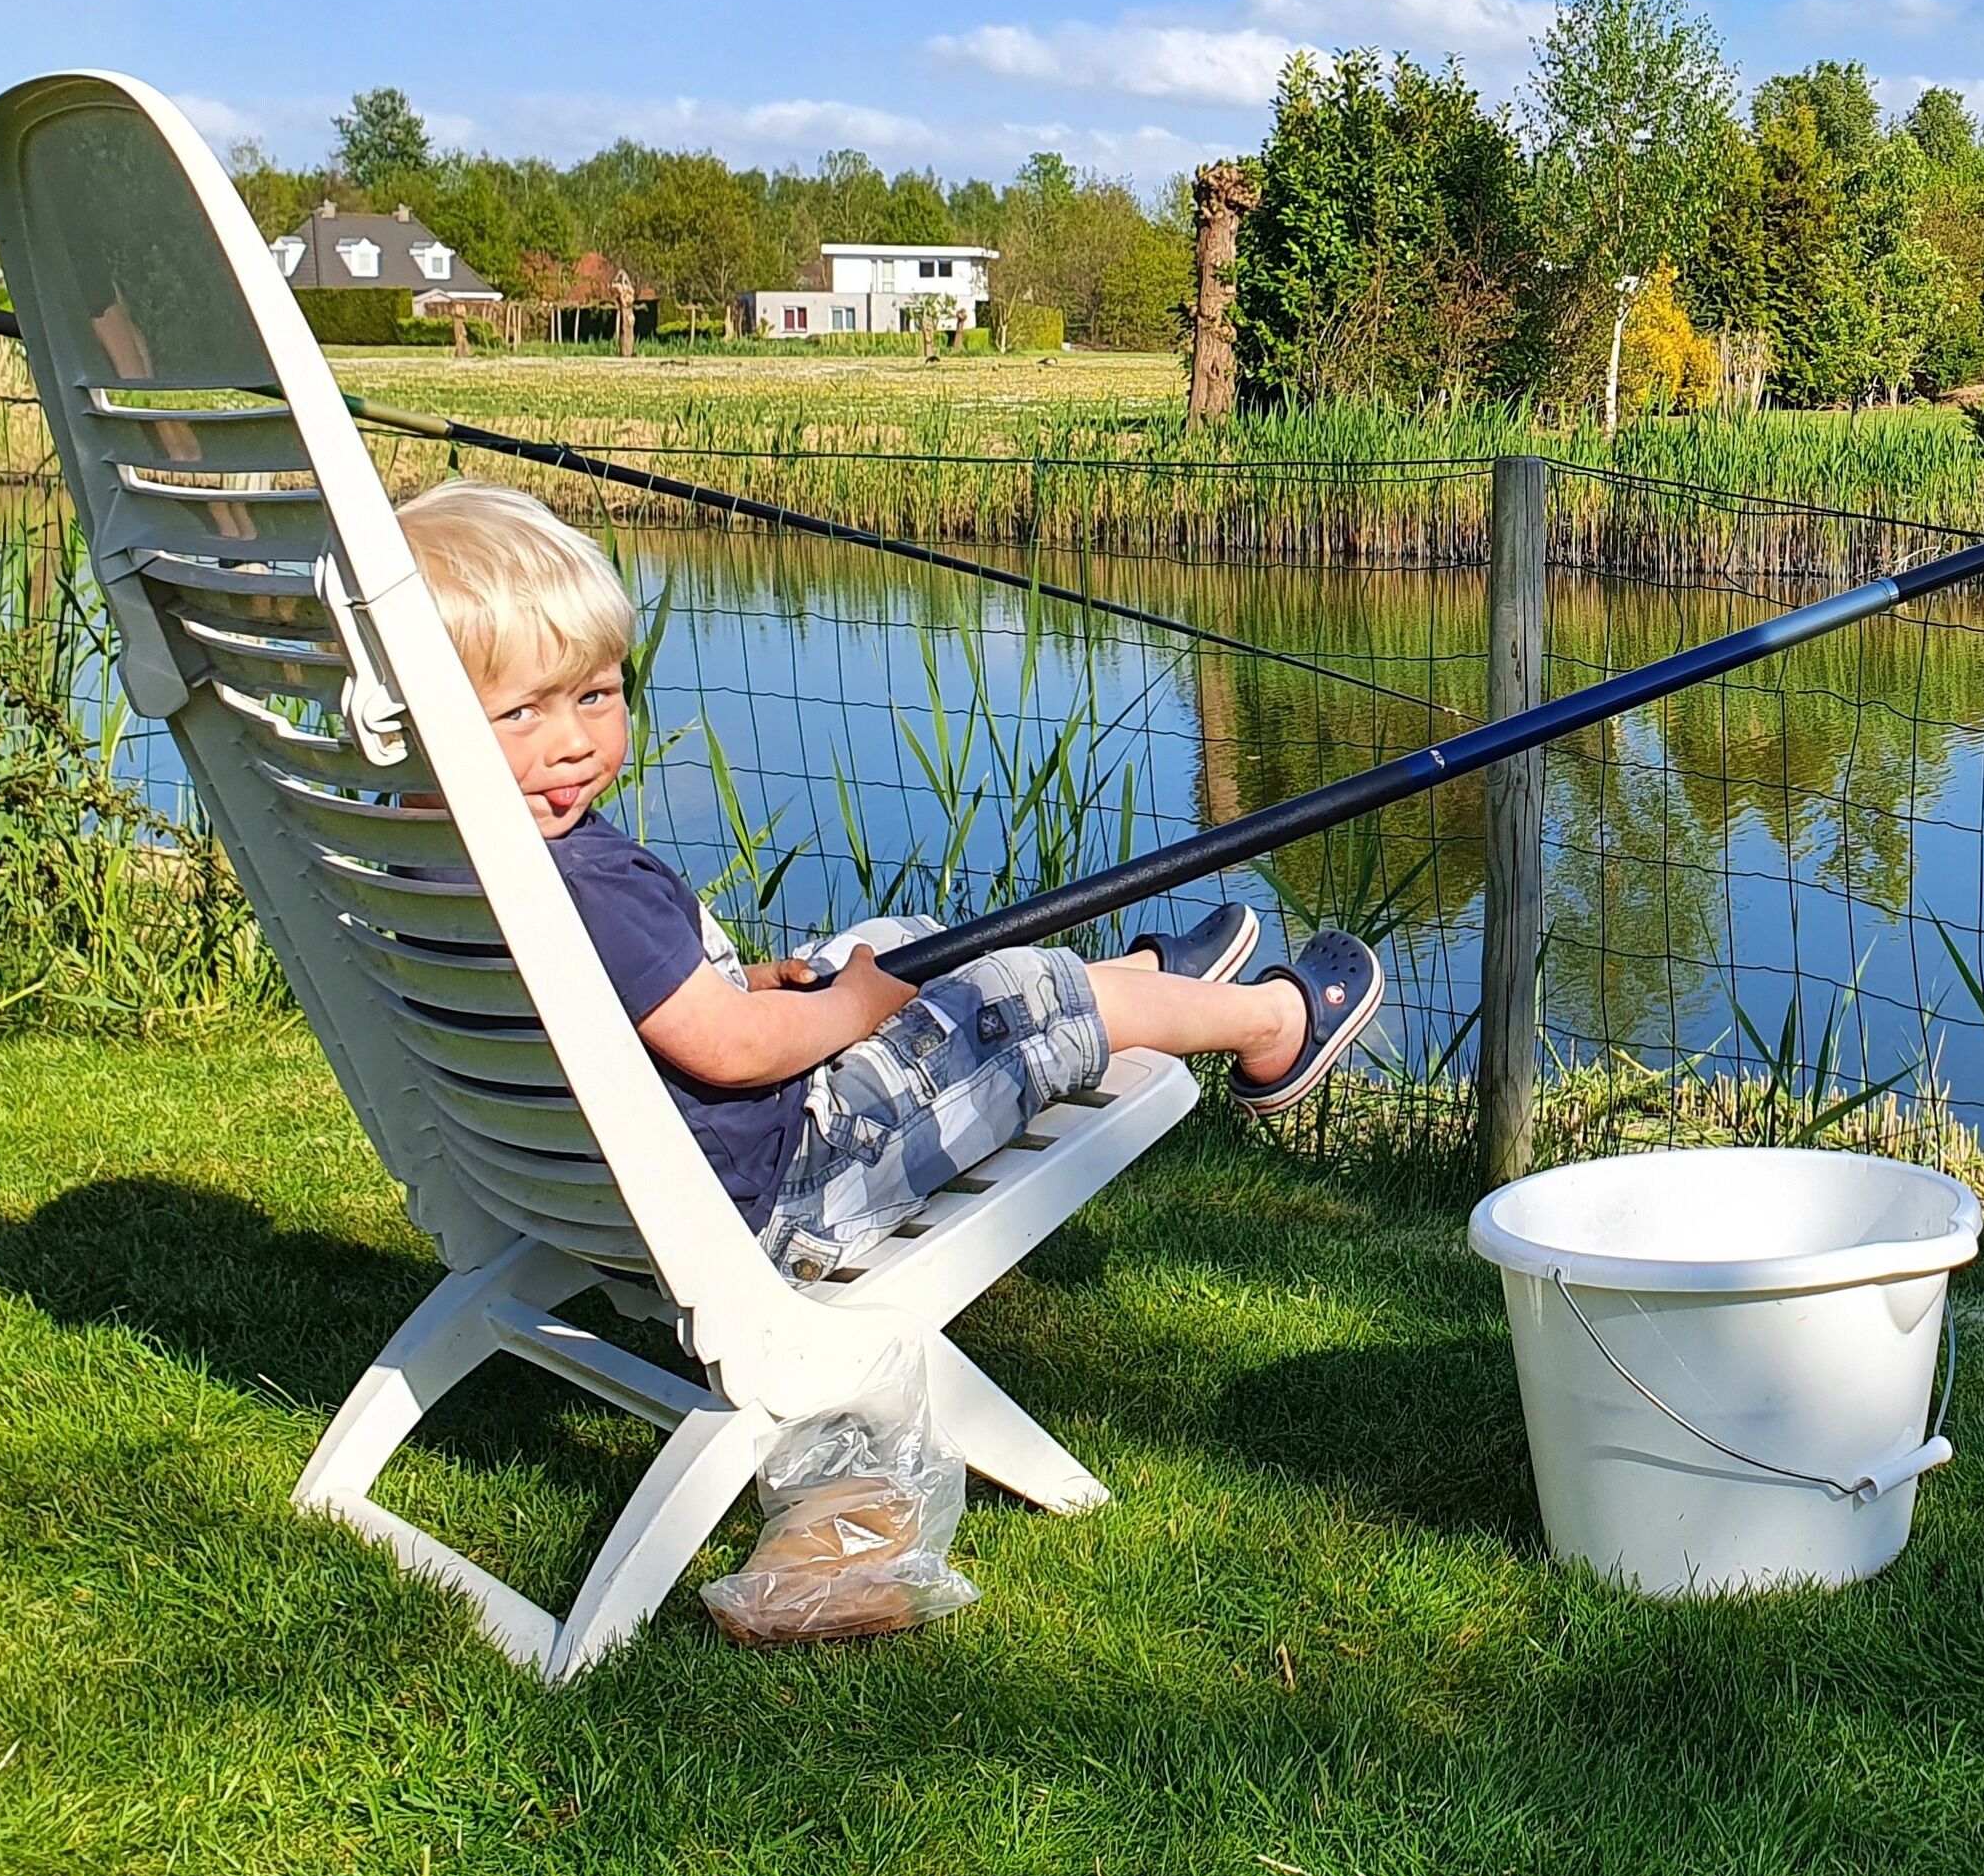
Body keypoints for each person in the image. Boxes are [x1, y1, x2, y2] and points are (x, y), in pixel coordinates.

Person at [393, 481, 1381, 1278]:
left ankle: (1144, 988)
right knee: (1001, 990)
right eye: (521, 714)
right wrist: (845, 1006)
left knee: (900, 934)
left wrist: (775, 987)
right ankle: (1271, 1028)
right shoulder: (578, 881)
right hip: (786, 1195)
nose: (573, 743)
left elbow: (633, 1020)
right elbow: (734, 1051)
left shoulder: (426, 851)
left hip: (600, 1189)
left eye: (598, 694)